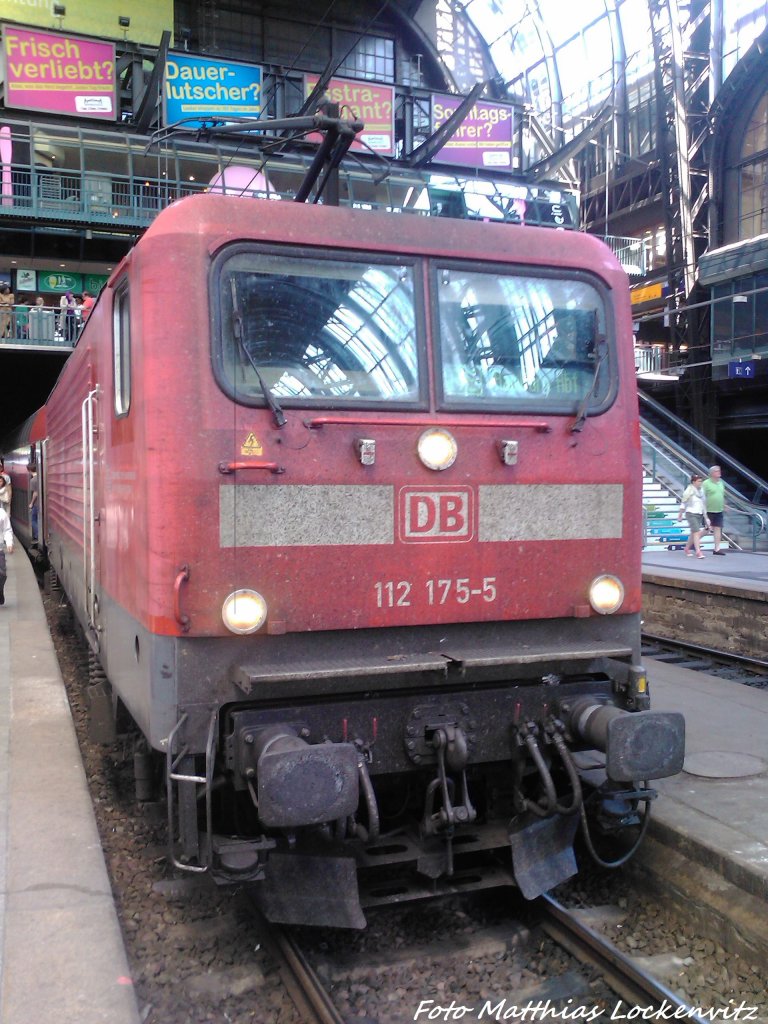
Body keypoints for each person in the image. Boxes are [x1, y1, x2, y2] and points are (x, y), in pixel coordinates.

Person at [678, 473, 708, 558]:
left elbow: (703, 504)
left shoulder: (701, 491)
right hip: (691, 513)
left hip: (699, 513)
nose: (700, 483)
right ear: (693, 482)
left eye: (701, 481)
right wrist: (680, 514)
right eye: (699, 481)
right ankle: (698, 551)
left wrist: (706, 516)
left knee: (694, 533)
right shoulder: (689, 491)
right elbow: (683, 503)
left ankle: (687, 548)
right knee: (696, 532)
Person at [702, 464, 726, 555]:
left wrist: (724, 505)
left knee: (718, 528)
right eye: (716, 471)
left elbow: (721, 495)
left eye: (719, 471)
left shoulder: (721, 483)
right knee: (706, 529)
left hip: (719, 510)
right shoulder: (706, 483)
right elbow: (702, 496)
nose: (719, 473)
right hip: (709, 510)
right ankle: (693, 541)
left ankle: (717, 548)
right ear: (711, 473)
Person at [0, 500, 13, 606]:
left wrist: (9, 543)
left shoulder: (2, 514)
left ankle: (0, 591)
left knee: (2, 574)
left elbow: (7, 530)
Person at [28, 467, 38, 543]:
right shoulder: (41, 478)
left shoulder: (33, 480)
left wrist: (31, 503)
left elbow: (35, 493)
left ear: (29, 470)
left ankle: (37, 536)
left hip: (37, 504)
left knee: (33, 520)